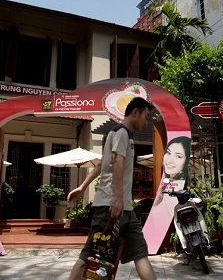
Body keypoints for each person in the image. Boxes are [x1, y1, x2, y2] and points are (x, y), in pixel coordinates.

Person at [67, 97, 157, 280]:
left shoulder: (123, 135)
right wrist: (117, 197)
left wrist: (83, 187)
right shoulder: (121, 132)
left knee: (140, 253)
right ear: (135, 112)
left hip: (126, 209)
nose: (146, 122)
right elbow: (116, 162)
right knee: (89, 256)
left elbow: (102, 164)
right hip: (110, 206)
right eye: (146, 117)